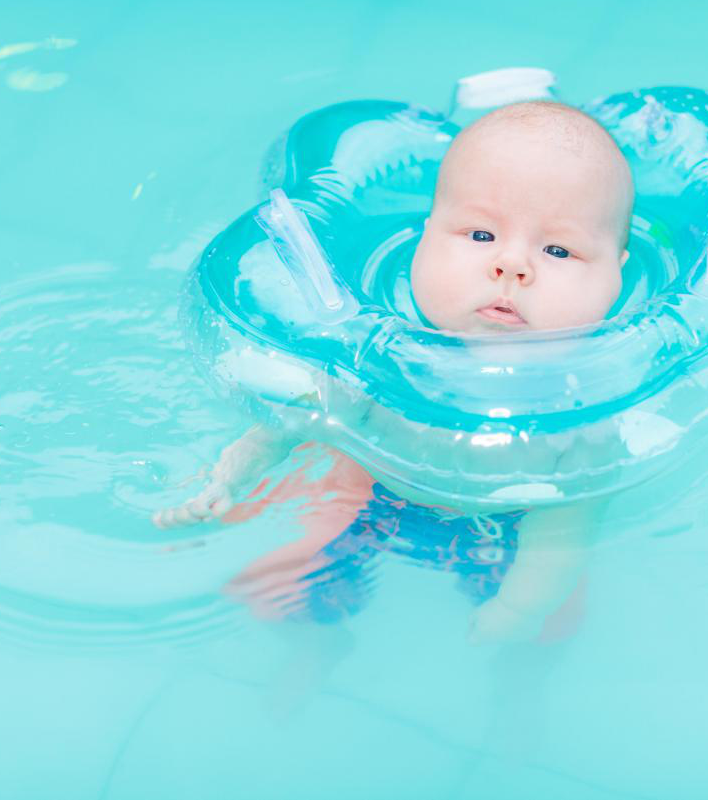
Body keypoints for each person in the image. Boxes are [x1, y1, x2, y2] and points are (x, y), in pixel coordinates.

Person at [155, 100, 635, 642]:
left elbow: (564, 525)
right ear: (427, 236)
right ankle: (313, 651)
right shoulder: (377, 351)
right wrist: (230, 477)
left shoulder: (587, 408)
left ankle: (518, 697)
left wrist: (521, 610)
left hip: (510, 526)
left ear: (616, 274)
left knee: (553, 625)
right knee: (281, 592)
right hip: (373, 492)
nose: (512, 266)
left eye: (557, 249)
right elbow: (291, 422)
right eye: (481, 236)